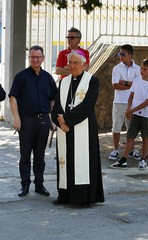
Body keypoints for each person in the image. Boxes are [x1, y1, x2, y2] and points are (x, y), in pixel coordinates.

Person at [51, 50, 105, 206]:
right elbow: (57, 105)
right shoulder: (63, 82)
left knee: (81, 161)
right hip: (65, 129)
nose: (72, 66)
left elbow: (88, 105)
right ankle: (65, 195)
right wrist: (61, 122)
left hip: (84, 128)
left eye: (76, 63)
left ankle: (82, 198)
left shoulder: (92, 81)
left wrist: (66, 119)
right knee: (65, 160)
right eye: (70, 63)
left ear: (84, 65)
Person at [9, 45, 57, 197]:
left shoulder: (48, 77)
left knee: (40, 155)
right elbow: (13, 97)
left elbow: (52, 99)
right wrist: (16, 118)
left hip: (43, 121)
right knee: (25, 156)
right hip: (26, 121)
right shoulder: (21, 76)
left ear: (43, 58)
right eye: (32, 57)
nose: (35, 59)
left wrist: (52, 119)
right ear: (29, 58)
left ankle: (39, 184)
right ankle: (25, 185)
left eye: (38, 57)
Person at [110, 58, 148, 170]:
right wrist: (129, 108)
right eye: (141, 68)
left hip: (146, 115)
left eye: (145, 69)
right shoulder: (136, 81)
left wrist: (132, 110)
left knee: (145, 137)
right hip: (135, 114)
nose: (142, 71)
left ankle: (143, 159)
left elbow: (147, 102)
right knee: (130, 136)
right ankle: (124, 159)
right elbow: (131, 95)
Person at [108, 44, 141, 161]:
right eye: (119, 54)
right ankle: (115, 149)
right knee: (116, 126)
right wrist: (131, 85)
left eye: (123, 54)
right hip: (119, 102)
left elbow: (138, 86)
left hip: (133, 103)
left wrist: (125, 83)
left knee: (131, 127)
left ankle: (131, 150)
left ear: (130, 55)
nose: (120, 56)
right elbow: (115, 85)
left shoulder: (138, 69)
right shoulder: (116, 68)